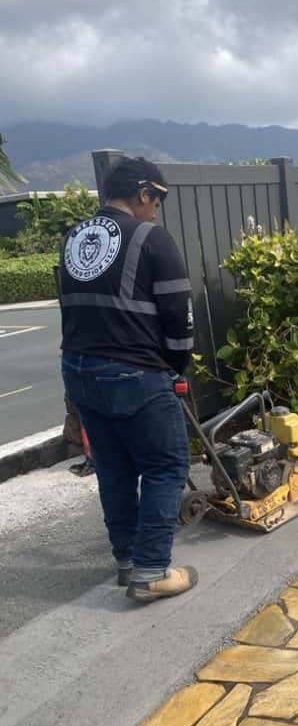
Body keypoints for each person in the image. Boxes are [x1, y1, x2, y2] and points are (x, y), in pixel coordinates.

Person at [59, 156, 197, 602]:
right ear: (143, 193)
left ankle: (127, 559)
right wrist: (177, 368)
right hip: (134, 373)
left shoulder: (74, 237)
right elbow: (178, 314)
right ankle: (152, 572)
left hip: (79, 370)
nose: (156, 209)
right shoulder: (150, 238)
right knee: (165, 466)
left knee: (115, 468)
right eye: (157, 199)